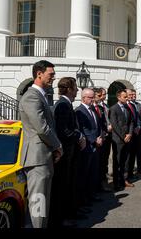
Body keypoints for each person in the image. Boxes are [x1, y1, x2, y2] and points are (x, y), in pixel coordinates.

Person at [19, 60, 62, 228]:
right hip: (37, 159)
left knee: (43, 202)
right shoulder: (31, 96)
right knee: (38, 203)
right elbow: (42, 128)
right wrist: (58, 145)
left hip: (43, 157)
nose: (53, 77)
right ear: (39, 74)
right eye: (51, 74)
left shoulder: (40, 95)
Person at [50, 77, 86, 228]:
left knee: (69, 184)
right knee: (62, 187)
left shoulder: (67, 104)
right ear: (69, 89)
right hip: (64, 153)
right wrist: (79, 136)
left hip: (70, 152)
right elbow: (64, 131)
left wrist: (78, 135)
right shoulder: (63, 105)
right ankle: (61, 218)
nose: (77, 90)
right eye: (76, 87)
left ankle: (70, 212)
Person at [75, 88, 103, 206]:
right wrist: (94, 140)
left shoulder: (93, 110)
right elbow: (83, 129)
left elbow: (98, 126)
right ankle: (83, 200)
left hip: (96, 146)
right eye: (90, 98)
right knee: (84, 175)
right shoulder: (79, 111)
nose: (92, 100)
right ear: (83, 98)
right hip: (86, 147)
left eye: (93, 97)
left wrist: (101, 136)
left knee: (93, 172)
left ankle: (92, 195)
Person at [109, 90, 134, 191]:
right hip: (118, 139)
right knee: (117, 161)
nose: (127, 98)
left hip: (128, 138)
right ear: (119, 97)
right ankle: (116, 182)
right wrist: (124, 136)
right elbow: (114, 124)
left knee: (126, 160)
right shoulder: (113, 109)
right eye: (125, 97)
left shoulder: (127, 108)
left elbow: (131, 122)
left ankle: (125, 179)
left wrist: (130, 134)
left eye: (127, 96)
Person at [93, 87, 112, 192]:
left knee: (104, 160)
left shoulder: (104, 107)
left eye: (103, 94)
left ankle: (103, 178)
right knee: (99, 162)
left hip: (106, 136)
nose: (102, 97)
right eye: (100, 95)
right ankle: (100, 182)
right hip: (98, 138)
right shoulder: (93, 107)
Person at [126, 88, 141, 180]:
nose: (133, 96)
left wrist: (139, 127)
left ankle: (136, 169)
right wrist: (132, 130)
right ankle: (127, 174)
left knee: (137, 151)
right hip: (129, 133)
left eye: (134, 95)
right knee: (129, 155)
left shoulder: (137, 105)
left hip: (138, 131)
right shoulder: (126, 106)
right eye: (130, 95)